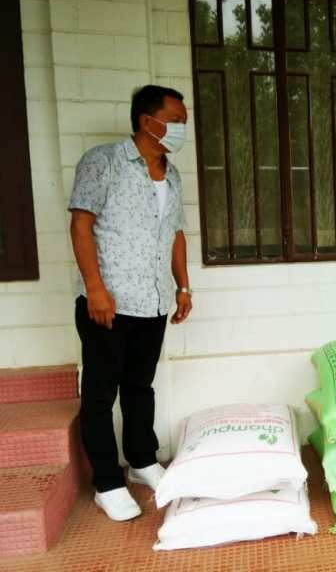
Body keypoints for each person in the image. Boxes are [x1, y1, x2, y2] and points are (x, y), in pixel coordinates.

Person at [69, 85, 193, 521]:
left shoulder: (172, 176)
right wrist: (95, 288)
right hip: (109, 302)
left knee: (140, 386)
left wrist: (182, 287)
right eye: (175, 121)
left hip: (153, 300)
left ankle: (141, 460)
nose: (182, 129)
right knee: (101, 395)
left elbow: (175, 234)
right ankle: (107, 482)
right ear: (147, 121)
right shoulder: (103, 162)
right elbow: (81, 226)